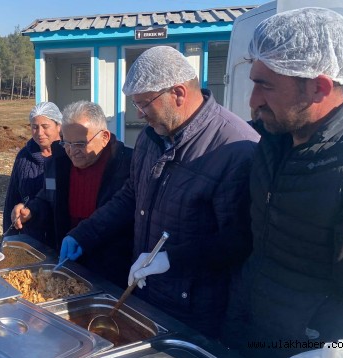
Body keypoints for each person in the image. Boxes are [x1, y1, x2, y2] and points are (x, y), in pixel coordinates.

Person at [59, 46, 259, 337]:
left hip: (194, 311)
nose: (139, 114)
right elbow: (131, 196)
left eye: (144, 104)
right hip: (146, 294)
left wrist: (171, 259)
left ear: (178, 93)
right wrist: (84, 233)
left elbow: (238, 242)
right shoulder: (152, 137)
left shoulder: (235, 148)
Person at [227, 8, 343, 358]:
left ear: (319, 87)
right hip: (251, 331)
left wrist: (342, 351)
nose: (252, 101)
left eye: (265, 86)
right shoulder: (272, 139)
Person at [12, 101, 133, 287]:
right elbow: (47, 197)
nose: (72, 151)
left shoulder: (128, 165)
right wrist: (31, 211)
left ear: (105, 137)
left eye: (80, 143)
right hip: (69, 260)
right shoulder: (58, 163)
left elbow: (125, 214)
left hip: (111, 266)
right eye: (66, 142)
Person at [3, 101, 62, 240]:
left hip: (60, 235)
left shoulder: (69, 154)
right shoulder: (24, 156)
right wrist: (8, 238)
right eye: (34, 127)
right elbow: (12, 198)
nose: (39, 133)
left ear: (58, 126)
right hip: (31, 236)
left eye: (45, 126)